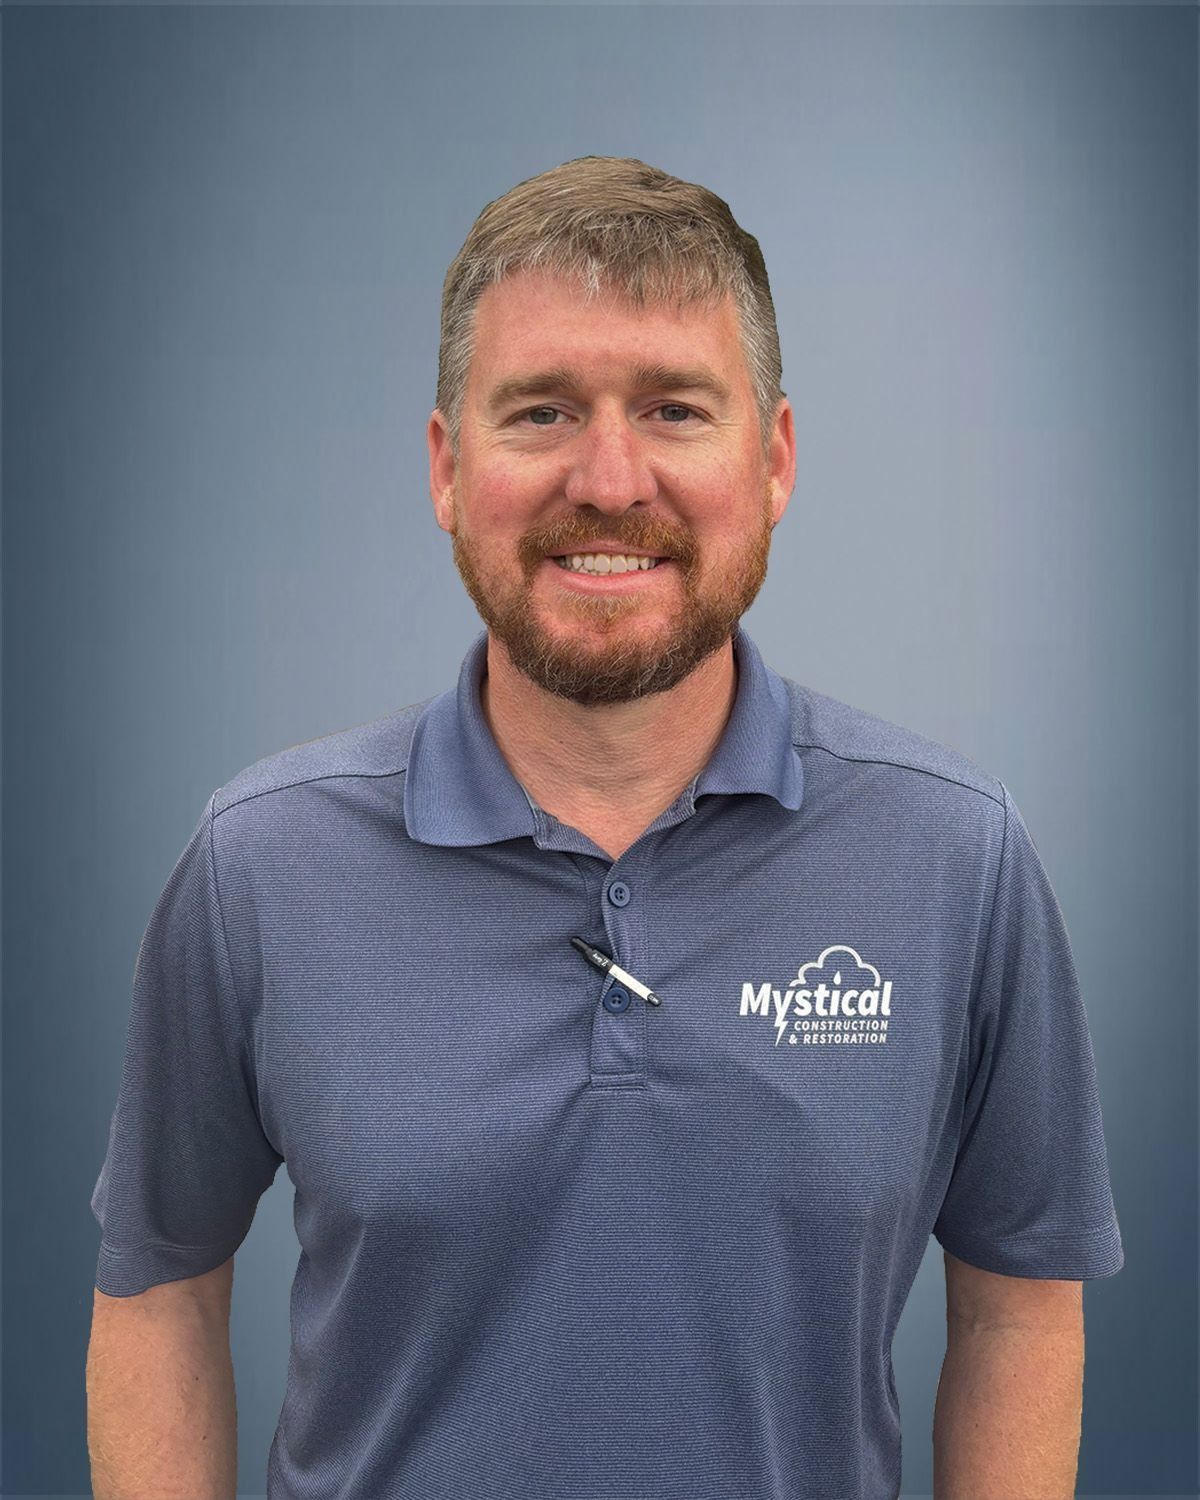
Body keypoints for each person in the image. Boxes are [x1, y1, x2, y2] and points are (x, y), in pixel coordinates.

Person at [86, 156, 1124, 1500]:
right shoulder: (257, 868)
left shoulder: (958, 862)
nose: (612, 477)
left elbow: (1015, 1310)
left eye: (676, 408)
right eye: (542, 413)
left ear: (777, 461)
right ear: (449, 469)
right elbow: (159, 1289)